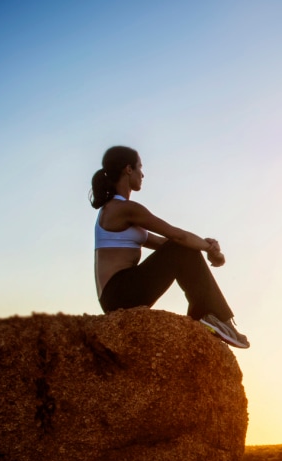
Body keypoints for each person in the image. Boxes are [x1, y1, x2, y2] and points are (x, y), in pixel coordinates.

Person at [90, 146, 249, 348]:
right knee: (182, 246)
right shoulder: (123, 209)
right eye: (140, 167)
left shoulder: (119, 211)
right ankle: (210, 316)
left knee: (183, 249)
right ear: (128, 169)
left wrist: (206, 245)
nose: (143, 174)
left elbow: (167, 245)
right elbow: (176, 236)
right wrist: (210, 250)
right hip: (119, 294)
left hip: (118, 295)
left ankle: (209, 317)